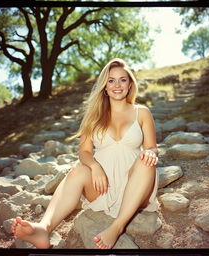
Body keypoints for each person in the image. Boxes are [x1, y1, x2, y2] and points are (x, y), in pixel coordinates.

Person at [11, 58, 159, 249]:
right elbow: (84, 152)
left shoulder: (142, 112)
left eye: (122, 79)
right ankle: (43, 229)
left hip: (137, 185)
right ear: (104, 86)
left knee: (146, 162)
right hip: (102, 186)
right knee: (76, 171)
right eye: (111, 80)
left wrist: (151, 153)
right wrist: (95, 166)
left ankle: (117, 227)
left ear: (130, 84)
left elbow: (152, 147)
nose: (117, 85)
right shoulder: (94, 116)